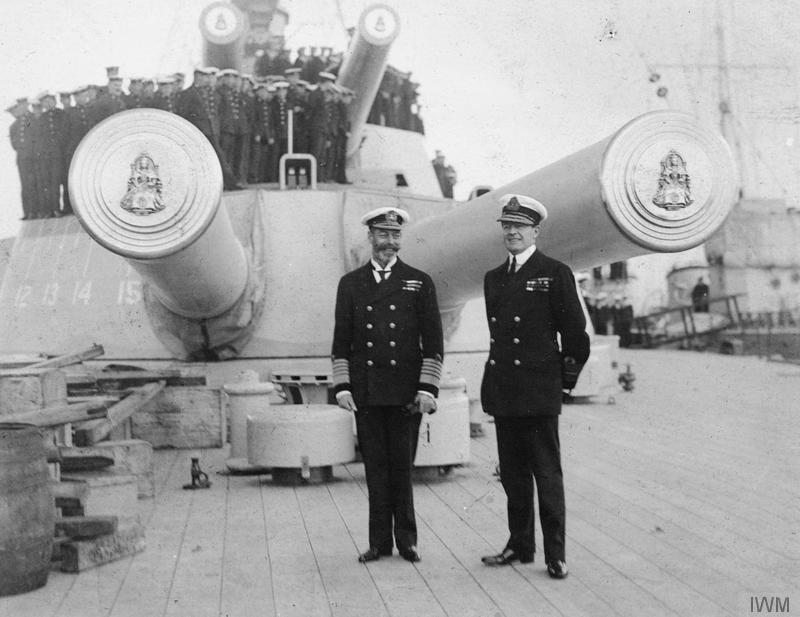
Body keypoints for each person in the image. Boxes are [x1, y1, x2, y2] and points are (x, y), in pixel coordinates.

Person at [480, 194, 590, 579]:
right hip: (505, 391)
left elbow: (576, 336)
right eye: (507, 226)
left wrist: (562, 382)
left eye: (519, 227)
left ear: (535, 231)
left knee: (546, 474)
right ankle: (519, 544)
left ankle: (555, 555)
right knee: (512, 474)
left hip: (539, 393)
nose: (512, 232)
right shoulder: (493, 278)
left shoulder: (554, 273)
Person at [331, 207, 444, 564]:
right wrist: (343, 387)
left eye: (395, 236)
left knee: (402, 468)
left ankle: (407, 541)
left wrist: (427, 389)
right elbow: (341, 341)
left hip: (406, 394)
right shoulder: (351, 284)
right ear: (370, 237)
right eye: (383, 235)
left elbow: (434, 341)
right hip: (366, 392)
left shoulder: (419, 281)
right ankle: (379, 543)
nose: (389, 243)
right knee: (375, 469)